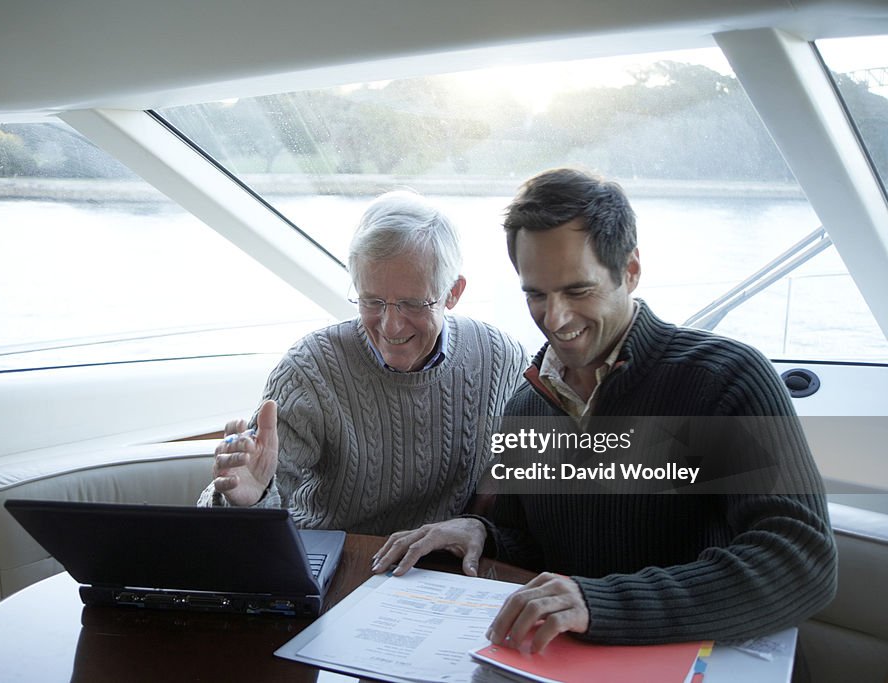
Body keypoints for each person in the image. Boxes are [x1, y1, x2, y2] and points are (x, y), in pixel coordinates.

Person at [372, 168, 837, 651]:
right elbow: (533, 544)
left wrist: (598, 603)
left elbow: (802, 561)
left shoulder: (725, 380)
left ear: (630, 270)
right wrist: (479, 532)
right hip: (565, 662)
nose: (555, 319)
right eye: (536, 293)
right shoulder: (527, 408)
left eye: (577, 291)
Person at [197, 190, 526, 535]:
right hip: (333, 567)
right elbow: (225, 529)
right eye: (372, 301)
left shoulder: (502, 359)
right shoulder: (310, 371)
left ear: (453, 293)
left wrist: (482, 529)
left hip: (445, 571)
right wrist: (244, 501)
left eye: (412, 304)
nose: (390, 325)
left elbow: (541, 496)